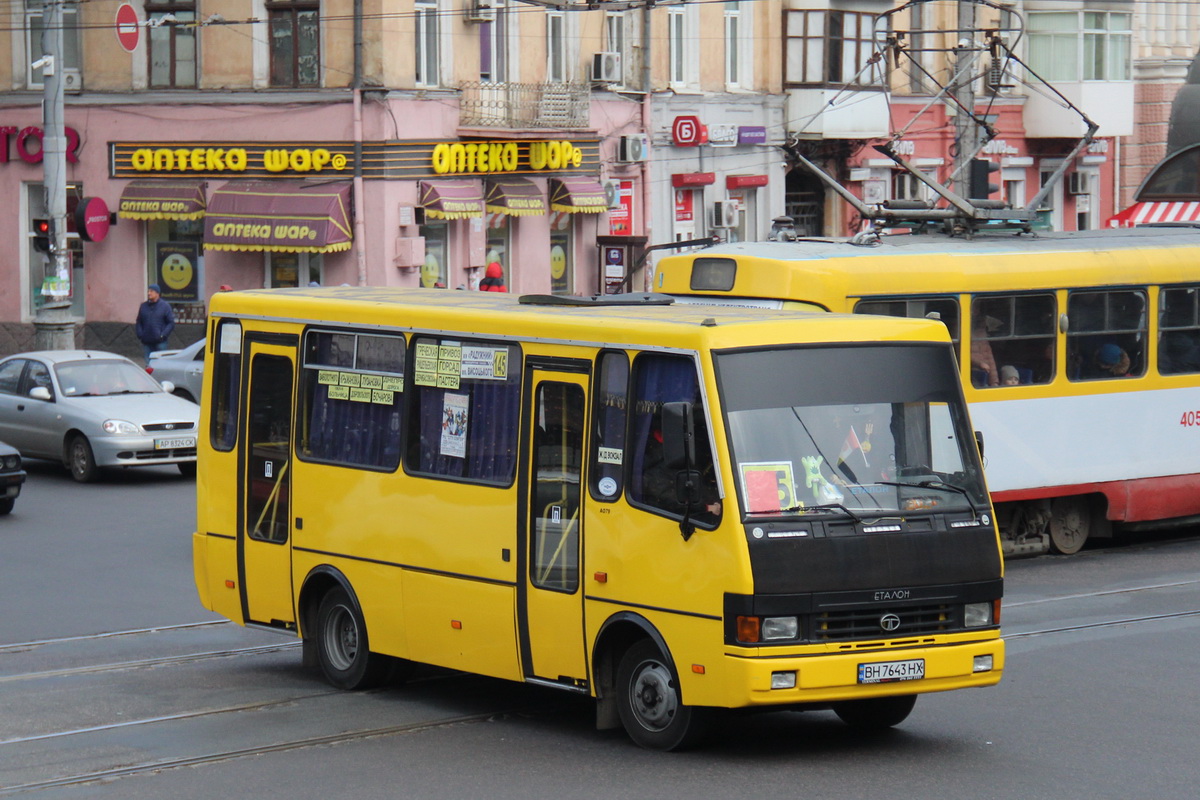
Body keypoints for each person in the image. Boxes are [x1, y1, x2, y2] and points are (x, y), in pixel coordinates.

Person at [135, 284, 175, 365]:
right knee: (149, 365)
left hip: (160, 342)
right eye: (148, 291)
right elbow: (139, 321)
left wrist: (163, 335)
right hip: (147, 341)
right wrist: (140, 334)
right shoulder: (143, 306)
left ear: (157, 293)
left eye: (151, 291)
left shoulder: (165, 306)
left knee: (161, 364)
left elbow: (171, 323)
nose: (149, 293)